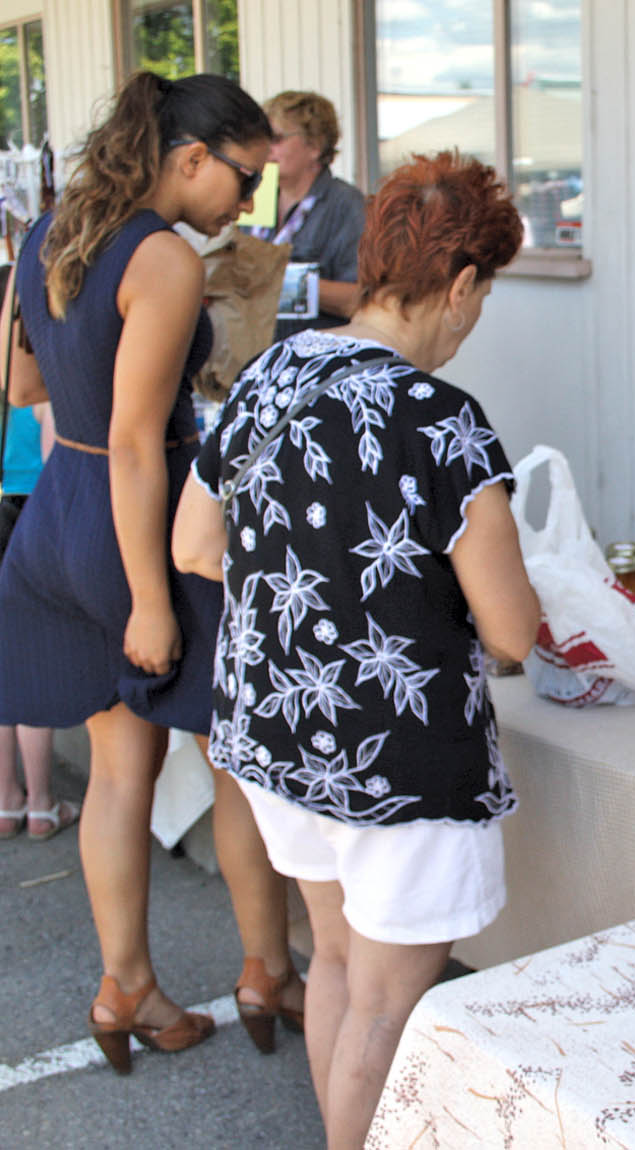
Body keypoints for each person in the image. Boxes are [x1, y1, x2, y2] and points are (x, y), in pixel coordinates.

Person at [173, 150, 539, 1148]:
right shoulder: (443, 422)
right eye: (482, 295)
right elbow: (511, 630)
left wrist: (312, 580)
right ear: (460, 285)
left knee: (335, 962)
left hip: (273, 733)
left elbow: (193, 544)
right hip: (398, 761)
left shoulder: (270, 373)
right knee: (388, 999)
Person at [0, 71, 303, 1073]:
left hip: (60, 511)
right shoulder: (165, 257)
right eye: (246, 179)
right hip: (145, 523)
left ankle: (125, 983)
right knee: (235, 757)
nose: (250, 204)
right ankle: (267, 970)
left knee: (120, 770)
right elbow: (139, 441)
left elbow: (20, 382)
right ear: (189, 159)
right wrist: (147, 598)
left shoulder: (52, 231)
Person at [0, 398, 71, 840]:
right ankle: (42, 805)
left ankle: (6, 801)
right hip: (30, 512)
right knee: (32, 662)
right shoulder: (37, 382)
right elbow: (56, 461)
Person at [245, 90, 365, 341]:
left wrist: (285, 282)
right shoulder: (254, 196)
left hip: (315, 363)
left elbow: (363, 298)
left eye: (276, 139)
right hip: (256, 354)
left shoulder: (346, 204)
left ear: (315, 145)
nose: (266, 149)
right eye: (262, 138)